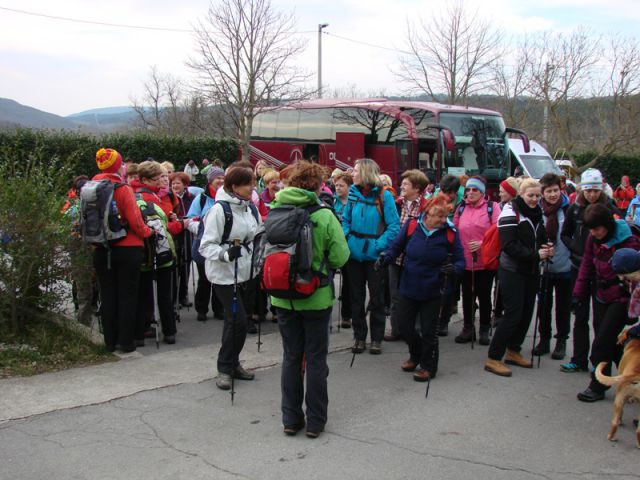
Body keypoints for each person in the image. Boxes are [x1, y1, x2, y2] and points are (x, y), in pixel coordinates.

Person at [269, 161, 350, 439]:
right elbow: (341, 257)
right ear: (318, 186)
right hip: (315, 296)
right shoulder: (324, 215)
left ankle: (290, 419)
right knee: (316, 359)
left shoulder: (274, 209)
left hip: (282, 298)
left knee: (291, 356)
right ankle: (315, 421)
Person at [381, 194, 465, 381]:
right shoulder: (411, 226)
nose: (443, 220)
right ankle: (415, 354)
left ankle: (428, 366)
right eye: (439, 216)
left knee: (428, 331)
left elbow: (460, 260)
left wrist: (454, 268)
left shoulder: (450, 232)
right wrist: (385, 258)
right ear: (427, 213)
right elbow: (396, 247)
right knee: (404, 327)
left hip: (434, 288)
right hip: (409, 285)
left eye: (445, 216)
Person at [199, 167, 261, 390]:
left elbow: (256, 235)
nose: (252, 187)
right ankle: (225, 368)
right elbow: (205, 245)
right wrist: (224, 254)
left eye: (253, 183)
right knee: (238, 321)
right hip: (225, 275)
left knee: (235, 322)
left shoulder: (249, 208)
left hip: (246, 273)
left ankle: (232, 364)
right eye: (248, 184)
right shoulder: (219, 210)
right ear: (234, 187)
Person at [485, 178, 552, 377]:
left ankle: (513, 350)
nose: (534, 199)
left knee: (526, 313)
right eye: (530, 195)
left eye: (537, 196)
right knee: (513, 314)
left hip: (531, 270)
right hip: (512, 270)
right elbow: (508, 245)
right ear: (520, 194)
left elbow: (540, 239)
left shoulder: (539, 214)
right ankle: (494, 357)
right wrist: (535, 254)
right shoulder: (510, 212)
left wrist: (547, 248)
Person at [573, 204, 640, 401]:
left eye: (597, 229)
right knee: (614, 344)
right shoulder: (593, 238)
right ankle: (631, 380)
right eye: (591, 230)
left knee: (602, 343)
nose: (594, 233)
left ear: (607, 224)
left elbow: (633, 274)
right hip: (601, 294)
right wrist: (578, 294)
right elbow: (586, 264)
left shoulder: (628, 240)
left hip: (622, 297)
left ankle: (598, 385)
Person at [559, 168, 621, 373]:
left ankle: (599, 362)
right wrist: (577, 248)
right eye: (588, 191)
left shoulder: (610, 207)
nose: (592, 194)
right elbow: (565, 234)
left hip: (603, 270)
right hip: (579, 266)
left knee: (601, 320)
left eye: (595, 190)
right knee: (580, 315)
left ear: (601, 189)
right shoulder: (574, 209)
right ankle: (578, 358)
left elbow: (618, 236)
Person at [91, 148, 152, 353]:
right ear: (117, 165)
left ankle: (109, 341)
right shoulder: (122, 188)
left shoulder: (92, 187)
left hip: (101, 248)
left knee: (107, 295)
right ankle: (126, 342)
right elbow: (135, 220)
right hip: (127, 249)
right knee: (127, 296)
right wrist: (147, 232)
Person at [342, 158, 400, 355]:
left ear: (366, 173)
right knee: (356, 297)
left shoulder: (385, 196)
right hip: (354, 254)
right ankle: (359, 337)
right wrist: (348, 239)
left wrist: (378, 246)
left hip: (374, 254)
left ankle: (376, 338)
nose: (353, 174)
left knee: (376, 299)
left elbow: (394, 226)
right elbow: (345, 220)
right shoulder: (352, 194)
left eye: (356, 171)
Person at [131, 161, 182, 345]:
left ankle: (139, 333)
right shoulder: (151, 198)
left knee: (142, 294)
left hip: (142, 253)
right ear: (145, 179)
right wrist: (180, 223)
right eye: (158, 177)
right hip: (161, 252)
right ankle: (169, 331)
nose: (163, 180)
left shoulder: (132, 195)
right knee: (164, 295)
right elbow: (166, 227)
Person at [453, 176, 500, 345]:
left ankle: (484, 328)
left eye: (475, 190)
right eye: (468, 190)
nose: (471, 193)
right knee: (467, 295)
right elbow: (454, 230)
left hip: (485, 260)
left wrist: (482, 243)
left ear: (482, 192)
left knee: (484, 295)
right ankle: (468, 327)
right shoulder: (461, 208)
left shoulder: (491, 207)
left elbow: (497, 231)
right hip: (465, 260)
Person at [385, 169, 429, 341]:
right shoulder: (396, 204)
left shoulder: (427, 206)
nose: (401, 187)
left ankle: (414, 330)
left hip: (415, 259)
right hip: (395, 257)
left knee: (415, 294)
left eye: (405, 184)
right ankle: (396, 329)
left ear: (417, 188)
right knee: (395, 295)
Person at [533, 173, 572, 360]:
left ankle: (561, 341)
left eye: (555, 190)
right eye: (548, 191)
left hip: (565, 265)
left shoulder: (569, 210)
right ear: (542, 192)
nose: (552, 195)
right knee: (544, 306)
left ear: (561, 189)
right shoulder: (537, 211)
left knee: (563, 307)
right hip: (544, 267)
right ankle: (544, 339)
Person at [187, 167, 226, 322]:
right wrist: (203, 228)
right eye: (218, 178)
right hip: (204, 244)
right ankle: (201, 309)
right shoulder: (202, 198)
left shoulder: (226, 197)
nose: (221, 181)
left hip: (221, 244)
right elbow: (190, 219)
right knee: (204, 278)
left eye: (223, 178)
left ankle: (219, 309)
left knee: (218, 277)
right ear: (210, 180)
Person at [168, 172, 196, 308]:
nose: (175, 185)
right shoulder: (169, 198)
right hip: (175, 235)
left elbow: (196, 214)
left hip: (188, 234)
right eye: (173, 183)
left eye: (178, 183)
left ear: (185, 185)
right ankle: (173, 298)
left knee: (186, 265)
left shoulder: (192, 198)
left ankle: (183, 295)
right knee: (175, 267)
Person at [333, 171, 354, 329]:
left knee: (348, 282)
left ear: (349, 187)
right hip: (333, 245)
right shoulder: (332, 202)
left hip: (348, 245)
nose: (338, 188)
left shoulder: (353, 202)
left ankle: (347, 315)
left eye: (342, 185)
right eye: (336, 185)